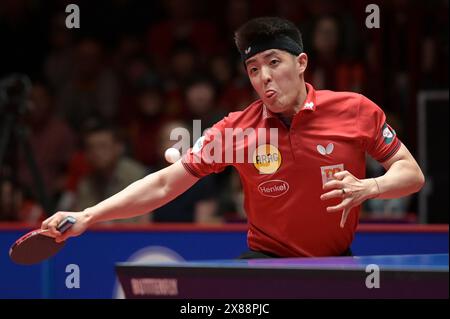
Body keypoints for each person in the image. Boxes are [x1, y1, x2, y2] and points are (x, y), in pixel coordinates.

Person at [42, 17, 424, 258]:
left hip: (336, 263)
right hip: (265, 266)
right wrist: (87, 215)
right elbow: (163, 185)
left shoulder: (354, 109)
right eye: (254, 68)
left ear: (301, 63)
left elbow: (410, 174)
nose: (264, 77)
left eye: (274, 62)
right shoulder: (234, 131)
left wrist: (369, 187)